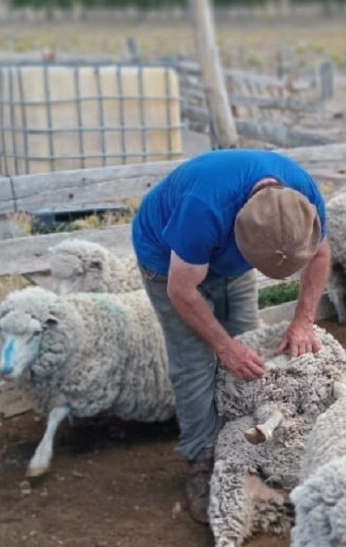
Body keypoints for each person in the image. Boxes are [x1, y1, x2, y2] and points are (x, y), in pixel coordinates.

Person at [131, 149, 330, 524]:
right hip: (169, 262)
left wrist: (303, 319)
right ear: (241, 230)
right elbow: (181, 289)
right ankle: (201, 461)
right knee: (195, 359)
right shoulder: (203, 208)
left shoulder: (304, 196)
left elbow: (320, 256)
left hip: (230, 257)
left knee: (248, 352)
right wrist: (222, 346)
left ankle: (241, 448)